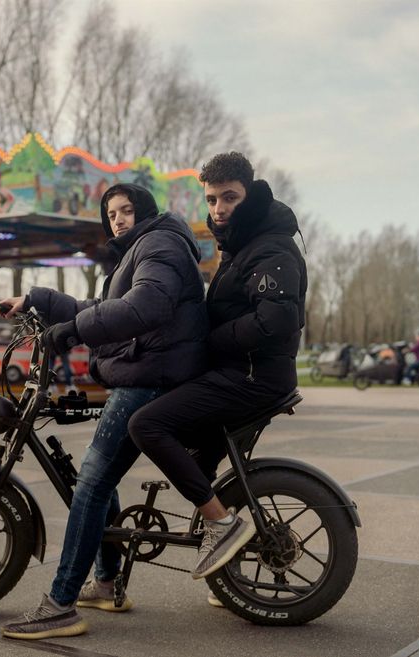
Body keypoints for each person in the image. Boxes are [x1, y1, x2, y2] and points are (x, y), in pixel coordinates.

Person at [0, 183, 208, 640]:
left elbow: (143, 307)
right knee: (98, 475)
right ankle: (107, 582)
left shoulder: (160, 244)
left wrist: (68, 333)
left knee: (91, 480)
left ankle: (60, 604)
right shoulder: (141, 251)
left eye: (126, 210)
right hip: (144, 372)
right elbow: (103, 308)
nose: (117, 219)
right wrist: (34, 299)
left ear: (145, 212)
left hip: (151, 378)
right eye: (111, 214)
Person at [127, 151, 307, 583]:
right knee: (195, 459)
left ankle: (222, 526)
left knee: (146, 426)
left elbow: (277, 319)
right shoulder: (243, 244)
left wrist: (211, 340)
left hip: (252, 378)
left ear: (250, 194)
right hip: (241, 373)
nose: (219, 208)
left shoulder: (270, 246)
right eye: (211, 200)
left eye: (229, 197)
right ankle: (230, 575)